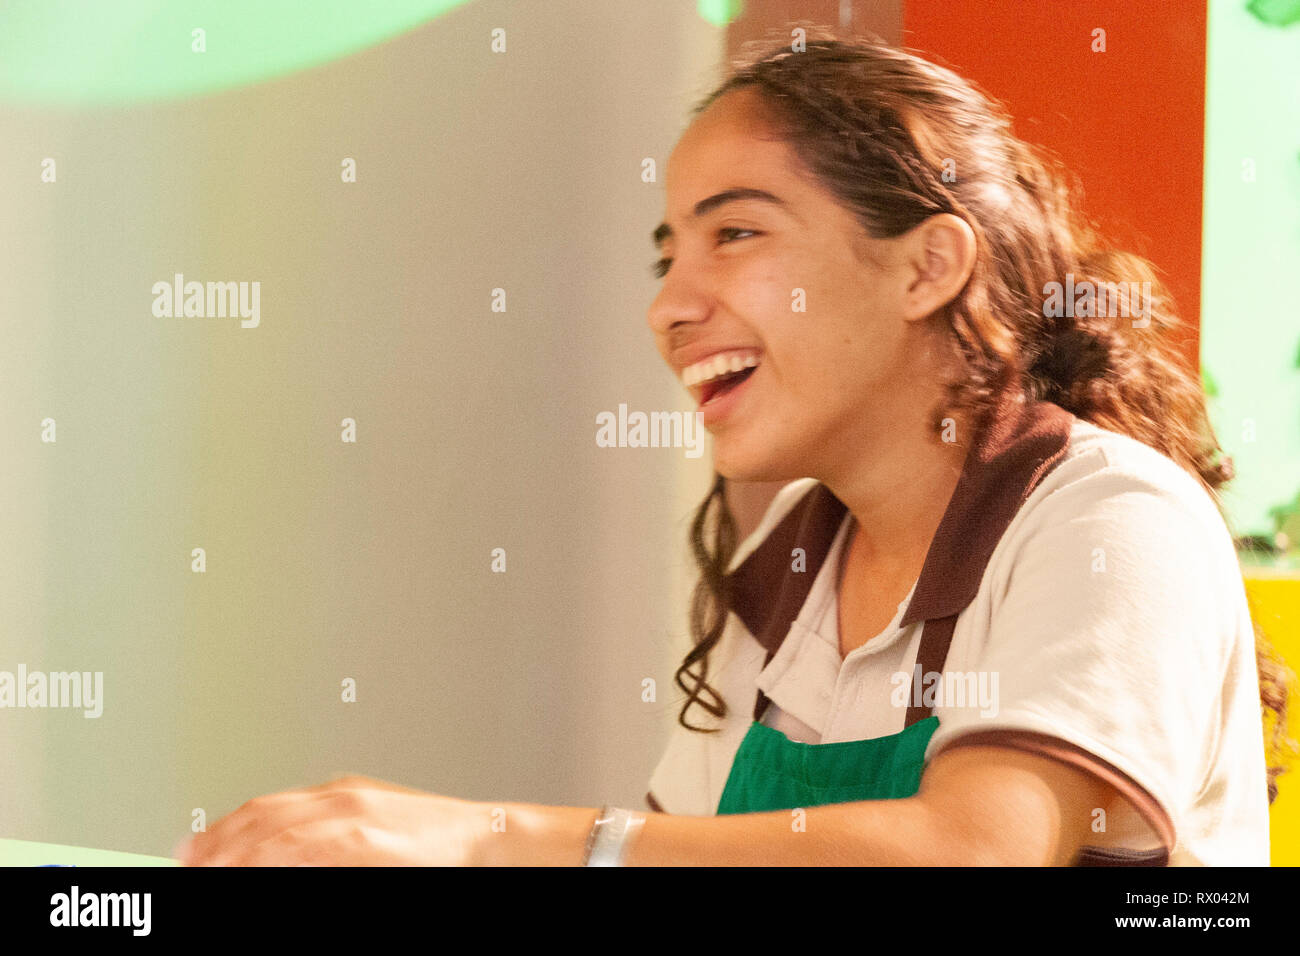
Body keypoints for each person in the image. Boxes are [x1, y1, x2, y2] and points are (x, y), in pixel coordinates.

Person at [178, 33, 1292, 867]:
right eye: (667, 255)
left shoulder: (1107, 519)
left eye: (736, 233)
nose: (669, 305)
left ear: (924, 267)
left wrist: (478, 833)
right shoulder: (789, 560)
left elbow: (974, 850)